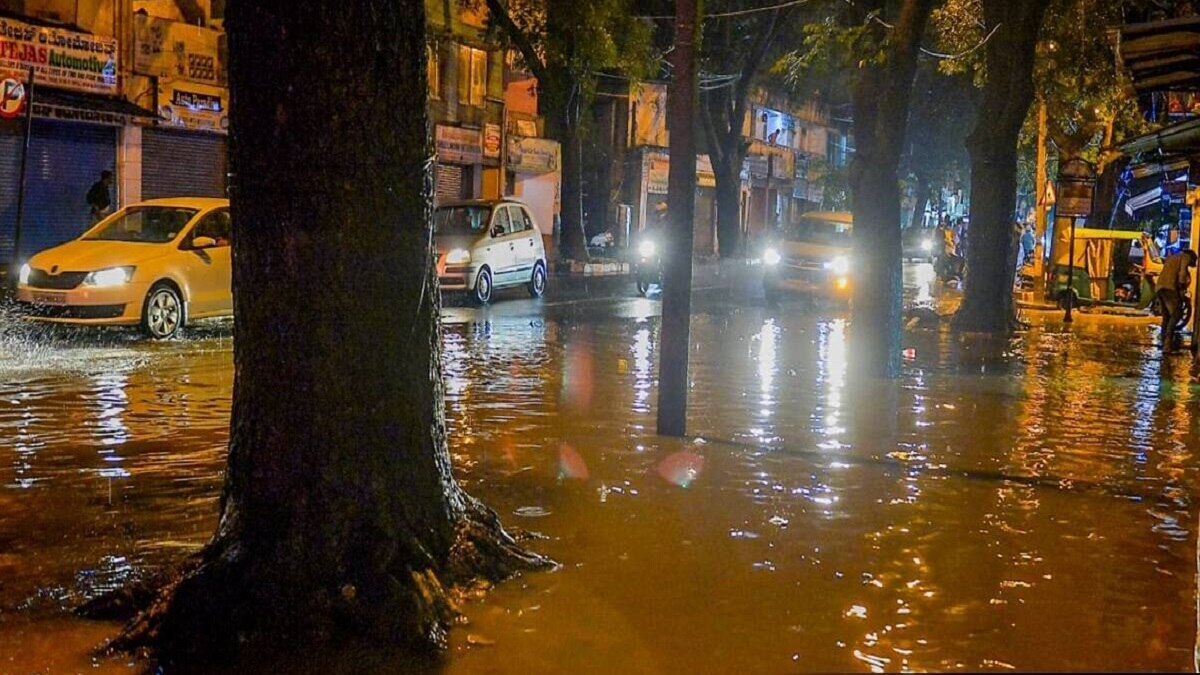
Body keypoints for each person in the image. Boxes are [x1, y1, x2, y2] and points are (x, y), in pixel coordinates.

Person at [1155, 249, 1197, 353]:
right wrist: (1182, 287)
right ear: (1192, 257)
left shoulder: (1172, 257)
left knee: (1166, 316)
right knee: (1176, 314)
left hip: (1160, 287)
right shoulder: (1185, 257)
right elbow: (1182, 274)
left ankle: (1163, 340)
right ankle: (1167, 343)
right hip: (1170, 288)